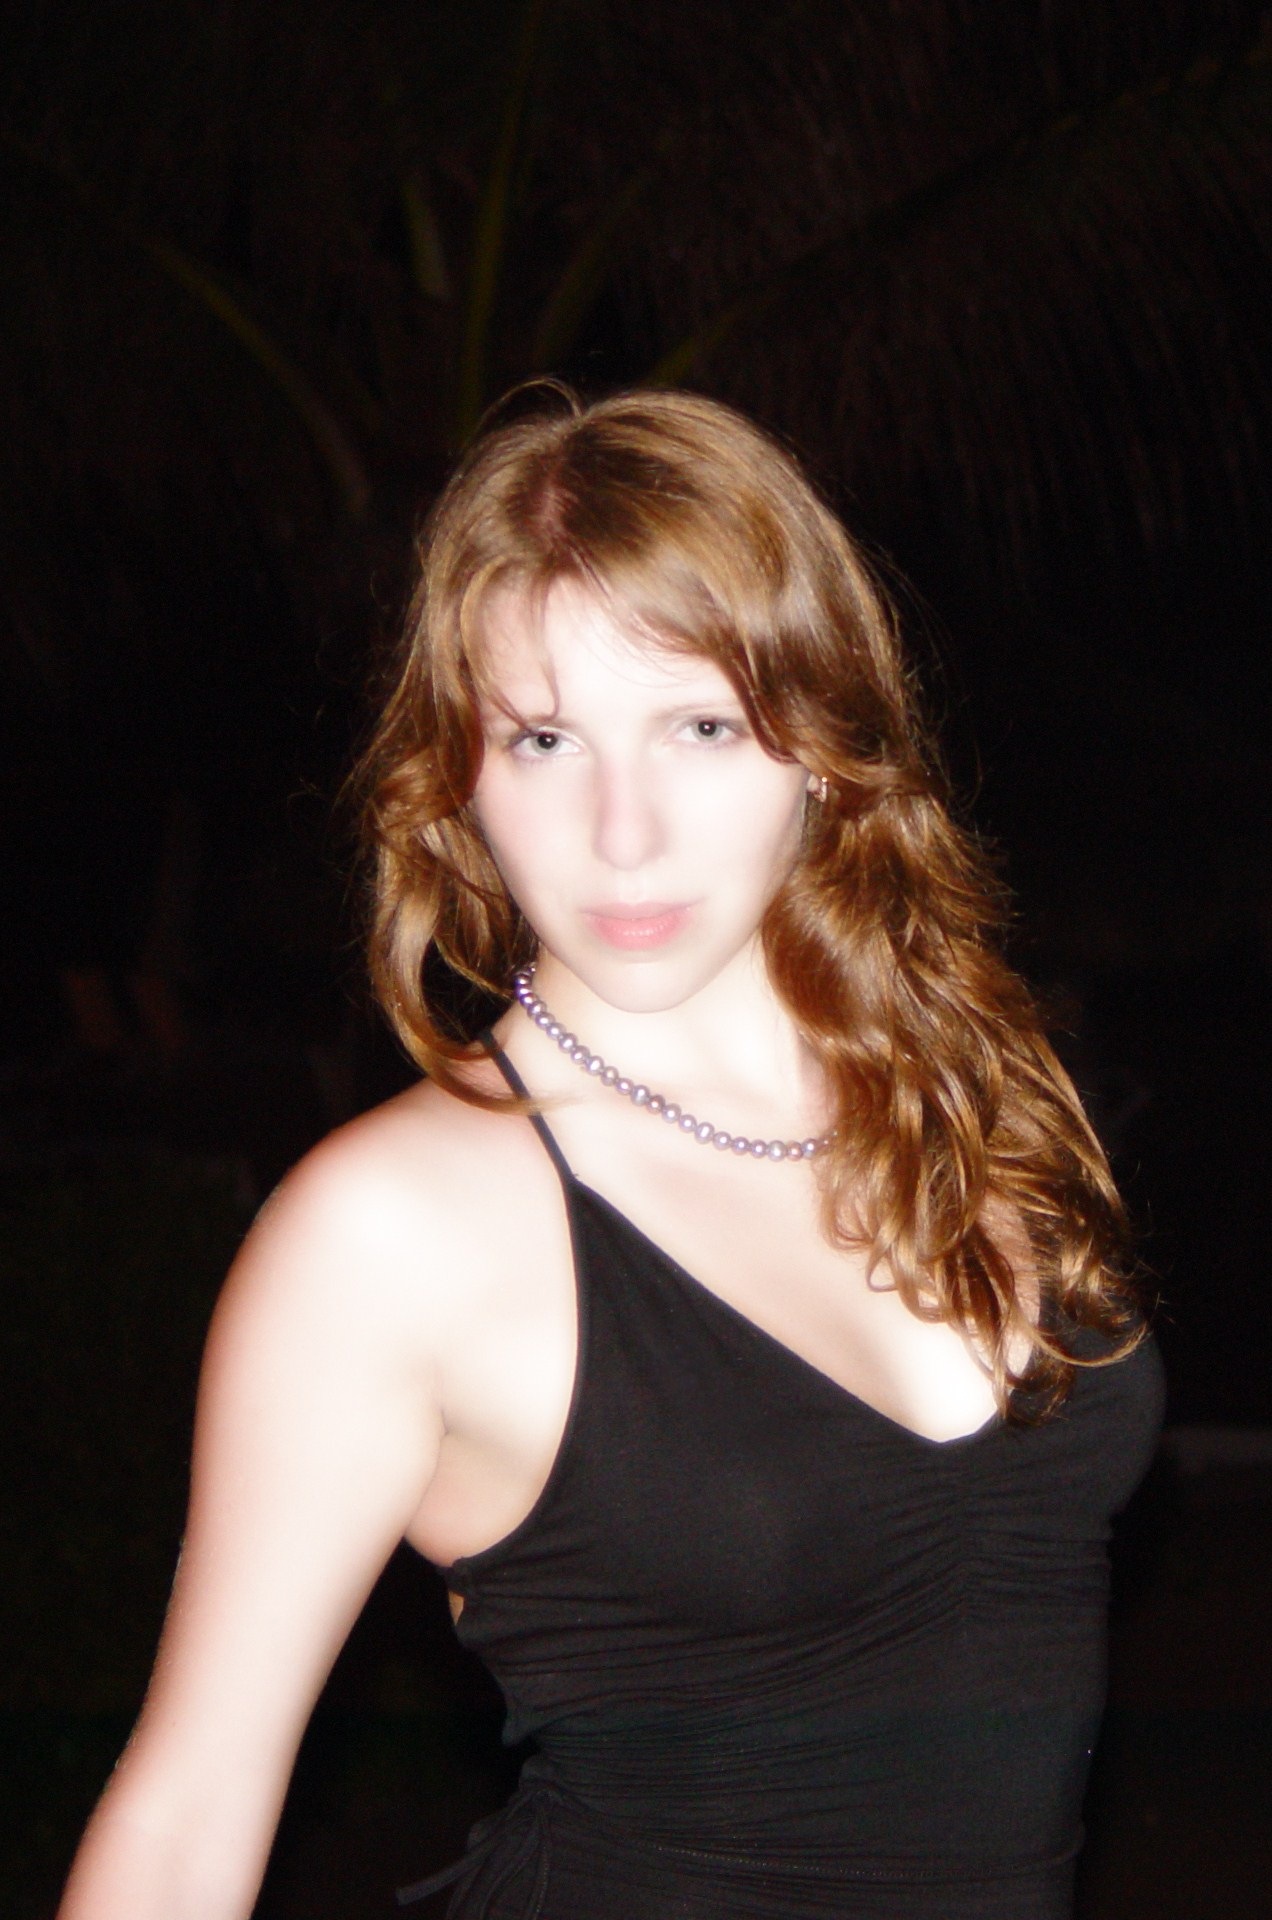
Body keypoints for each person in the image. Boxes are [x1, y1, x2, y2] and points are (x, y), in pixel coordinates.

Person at [58, 386, 1164, 1920]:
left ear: (823, 743)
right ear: (460, 777)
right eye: (544, 739)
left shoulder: (970, 1104)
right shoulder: (390, 1231)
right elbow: (185, 1825)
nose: (622, 832)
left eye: (700, 727)